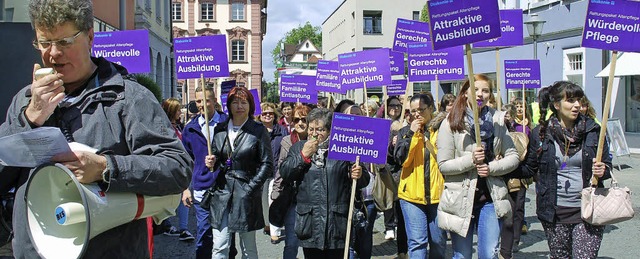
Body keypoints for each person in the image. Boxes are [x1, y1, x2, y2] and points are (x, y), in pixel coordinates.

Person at [0, 0, 192, 257]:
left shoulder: (129, 98)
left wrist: (105, 168)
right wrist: (29, 119)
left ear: (90, 36)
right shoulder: (26, 101)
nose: (53, 53)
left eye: (65, 42)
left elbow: (177, 168)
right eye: (44, 43)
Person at [522, 81, 611, 259]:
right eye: (570, 100)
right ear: (557, 104)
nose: (577, 105)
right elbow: (528, 168)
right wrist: (498, 166)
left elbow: (607, 164)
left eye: (578, 100)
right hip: (554, 212)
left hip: (588, 210)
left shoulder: (593, 131)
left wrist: (604, 170)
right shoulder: (541, 132)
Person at [437, 74, 520, 259]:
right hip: (460, 198)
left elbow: (513, 157)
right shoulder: (450, 123)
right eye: (475, 90)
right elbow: (443, 165)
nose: (480, 94)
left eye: (485, 90)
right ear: (465, 93)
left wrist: (492, 168)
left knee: (489, 254)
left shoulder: (498, 121)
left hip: (490, 198)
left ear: (491, 94)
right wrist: (470, 160)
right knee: (463, 255)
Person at [280, 108, 369, 258]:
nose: (314, 134)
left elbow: (363, 180)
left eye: (320, 129)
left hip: (337, 224)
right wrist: (303, 156)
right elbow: (286, 173)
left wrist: (358, 174)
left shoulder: (343, 148)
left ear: (329, 131)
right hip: (310, 223)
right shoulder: (298, 148)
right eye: (311, 129)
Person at [205, 87, 273, 258]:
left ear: (250, 105)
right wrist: (211, 162)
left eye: (244, 102)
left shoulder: (258, 130)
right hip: (222, 192)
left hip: (246, 193)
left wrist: (251, 188)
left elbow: (267, 164)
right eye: (235, 102)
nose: (239, 106)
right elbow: (216, 157)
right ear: (229, 106)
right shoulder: (220, 128)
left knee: (248, 247)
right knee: (220, 245)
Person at [393, 93, 447, 258]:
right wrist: (410, 134)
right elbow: (400, 159)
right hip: (411, 196)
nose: (416, 114)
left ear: (431, 109)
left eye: (421, 110)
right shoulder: (404, 132)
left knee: (438, 241)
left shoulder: (443, 130)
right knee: (417, 242)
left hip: (438, 195)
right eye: (412, 111)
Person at [182, 85, 229, 259]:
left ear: (214, 101)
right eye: (198, 101)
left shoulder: (227, 123)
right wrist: (186, 188)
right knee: (204, 233)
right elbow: (186, 161)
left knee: (225, 235)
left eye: (206, 100)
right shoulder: (190, 128)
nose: (202, 104)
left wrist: (220, 158)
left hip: (225, 187)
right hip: (202, 188)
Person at [271, 104, 312, 259]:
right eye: (296, 120)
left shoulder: (317, 142)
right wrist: (276, 192)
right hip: (292, 198)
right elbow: (281, 169)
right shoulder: (286, 141)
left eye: (304, 119)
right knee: (291, 243)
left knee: (311, 244)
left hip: (311, 198)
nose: (300, 123)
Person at [161, 98, 196, 242]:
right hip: (169, 167)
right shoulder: (164, 128)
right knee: (169, 197)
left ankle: (183, 228)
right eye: (177, 110)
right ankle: (166, 224)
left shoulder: (178, 127)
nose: (180, 112)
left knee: (184, 195)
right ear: (170, 112)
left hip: (182, 167)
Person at [499, 103, 531, 259]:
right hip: (500, 177)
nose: (505, 116)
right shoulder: (496, 132)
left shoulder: (520, 132)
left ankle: (514, 240)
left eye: (507, 114)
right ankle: (504, 241)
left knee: (517, 208)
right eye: (502, 114)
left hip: (518, 176)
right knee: (504, 211)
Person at [257, 102, 289, 244]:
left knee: (273, 201)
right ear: (260, 116)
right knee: (263, 202)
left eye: (270, 113)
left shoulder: (282, 130)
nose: (268, 115)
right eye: (264, 113)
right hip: (261, 171)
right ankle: (267, 224)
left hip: (277, 171)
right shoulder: (256, 130)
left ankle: (275, 232)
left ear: (275, 115)